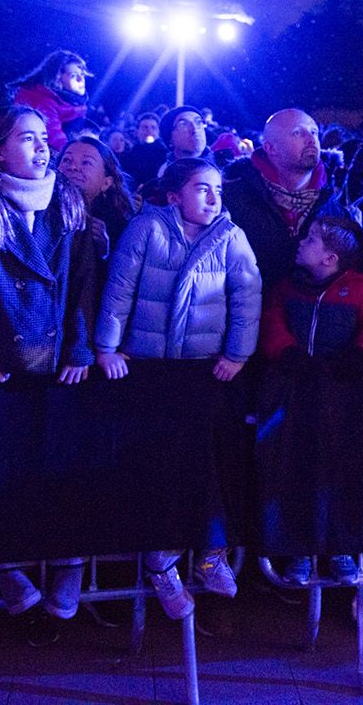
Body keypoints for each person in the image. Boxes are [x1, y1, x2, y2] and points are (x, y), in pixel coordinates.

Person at [0, 106, 100, 644]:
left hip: (61, 367)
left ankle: (68, 567)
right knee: (2, 472)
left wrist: (81, 349)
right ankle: (9, 571)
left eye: (43, 137)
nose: (41, 147)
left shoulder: (69, 201)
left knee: (62, 470)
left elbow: (83, 282)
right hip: (2, 369)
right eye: (27, 138)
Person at [94, 157, 262, 619]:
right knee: (156, 467)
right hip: (148, 366)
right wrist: (107, 347)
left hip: (203, 369)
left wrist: (236, 354)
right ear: (174, 196)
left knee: (208, 464)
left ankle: (211, 553)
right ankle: (161, 561)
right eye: (201, 188)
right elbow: (121, 288)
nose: (213, 197)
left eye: (217, 190)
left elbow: (247, 297)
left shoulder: (231, 237)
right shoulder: (146, 228)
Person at [258, 215, 363, 589]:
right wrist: (284, 352)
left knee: (339, 469)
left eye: (312, 239)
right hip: (296, 389)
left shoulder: (360, 290)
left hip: (341, 391)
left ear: (330, 259)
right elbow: (271, 322)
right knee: (296, 467)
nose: (301, 241)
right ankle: (300, 547)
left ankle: (339, 546)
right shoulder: (287, 288)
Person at [221, 108, 353, 290]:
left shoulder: (333, 208)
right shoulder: (234, 199)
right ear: (270, 148)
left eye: (314, 132)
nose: (311, 139)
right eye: (298, 133)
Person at [59, 136, 137, 250]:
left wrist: (104, 252)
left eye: (86, 162)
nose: (73, 167)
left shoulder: (122, 228)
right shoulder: (39, 211)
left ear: (106, 183)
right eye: (67, 160)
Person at [9, 49, 90, 152]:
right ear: (58, 79)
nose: (80, 79)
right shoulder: (44, 101)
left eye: (82, 74)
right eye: (73, 75)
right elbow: (55, 138)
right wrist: (76, 155)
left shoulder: (74, 103)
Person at [119, 111, 167, 187]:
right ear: (137, 131)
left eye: (153, 127)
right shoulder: (132, 153)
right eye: (145, 127)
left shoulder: (165, 154)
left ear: (158, 131)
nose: (149, 131)